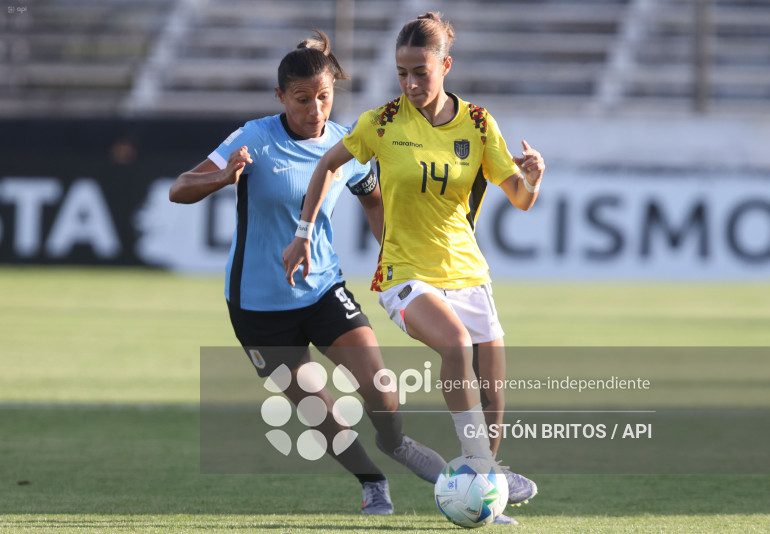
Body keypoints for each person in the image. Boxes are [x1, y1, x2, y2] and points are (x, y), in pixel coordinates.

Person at [169, 30, 445, 515]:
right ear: (280, 96)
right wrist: (223, 176)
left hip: (322, 291)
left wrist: (392, 253)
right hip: (258, 306)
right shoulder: (254, 138)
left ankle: (395, 442)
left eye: (324, 97)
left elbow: (373, 197)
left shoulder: (344, 142)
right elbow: (180, 188)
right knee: (318, 409)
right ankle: (372, 482)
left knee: (380, 386)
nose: (315, 109)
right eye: (302, 99)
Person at [283, 14, 544, 525]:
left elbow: (519, 197)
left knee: (493, 385)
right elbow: (327, 165)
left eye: (420, 72)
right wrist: (303, 232)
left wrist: (532, 178)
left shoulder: (478, 124)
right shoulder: (381, 123)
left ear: (445, 66)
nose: (410, 83)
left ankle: (485, 487)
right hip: (405, 273)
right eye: (402, 73)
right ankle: (479, 468)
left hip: (468, 272)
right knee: (456, 345)